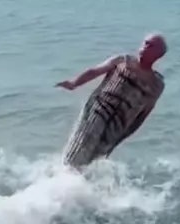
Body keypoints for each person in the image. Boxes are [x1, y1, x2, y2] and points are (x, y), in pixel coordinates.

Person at [56, 33, 168, 167]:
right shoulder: (123, 61)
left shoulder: (156, 85)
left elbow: (144, 113)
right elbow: (95, 71)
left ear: (158, 54)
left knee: (96, 161)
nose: (145, 47)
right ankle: (62, 178)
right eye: (145, 43)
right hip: (98, 110)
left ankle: (83, 185)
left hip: (118, 124)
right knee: (79, 149)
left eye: (151, 45)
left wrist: (126, 133)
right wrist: (74, 83)